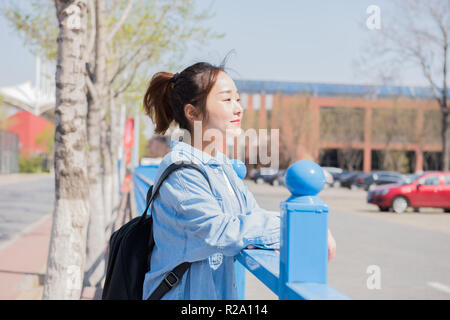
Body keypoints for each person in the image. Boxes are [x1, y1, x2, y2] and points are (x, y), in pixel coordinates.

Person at [141, 62, 336, 300]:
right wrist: (294, 229)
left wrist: (298, 228)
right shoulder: (182, 171)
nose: (238, 109)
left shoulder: (222, 167)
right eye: (227, 100)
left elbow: (250, 215)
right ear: (192, 113)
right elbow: (220, 232)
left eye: (238, 99)